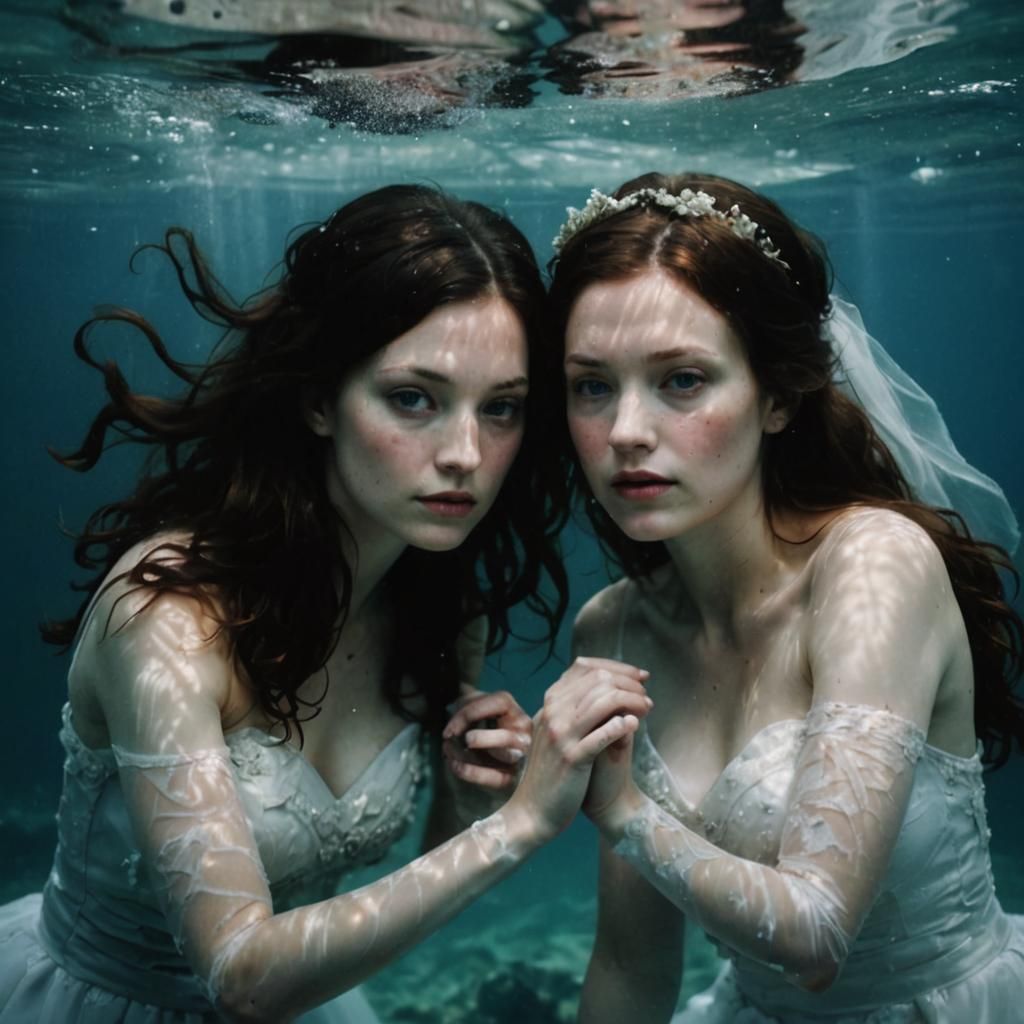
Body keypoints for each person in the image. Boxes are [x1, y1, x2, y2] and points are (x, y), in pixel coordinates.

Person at [0, 184, 651, 1024]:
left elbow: (393, 895)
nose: (465, 454)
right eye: (413, 397)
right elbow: (241, 975)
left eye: (502, 409)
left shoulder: (442, 607)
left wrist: (465, 804)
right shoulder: (167, 616)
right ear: (317, 398)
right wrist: (521, 824)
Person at [543, 171, 1024, 1022]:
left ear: (778, 397)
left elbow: (816, 934)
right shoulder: (610, 627)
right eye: (591, 385)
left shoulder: (876, 566)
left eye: (682, 380)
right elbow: (630, 965)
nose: (624, 431)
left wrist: (617, 810)